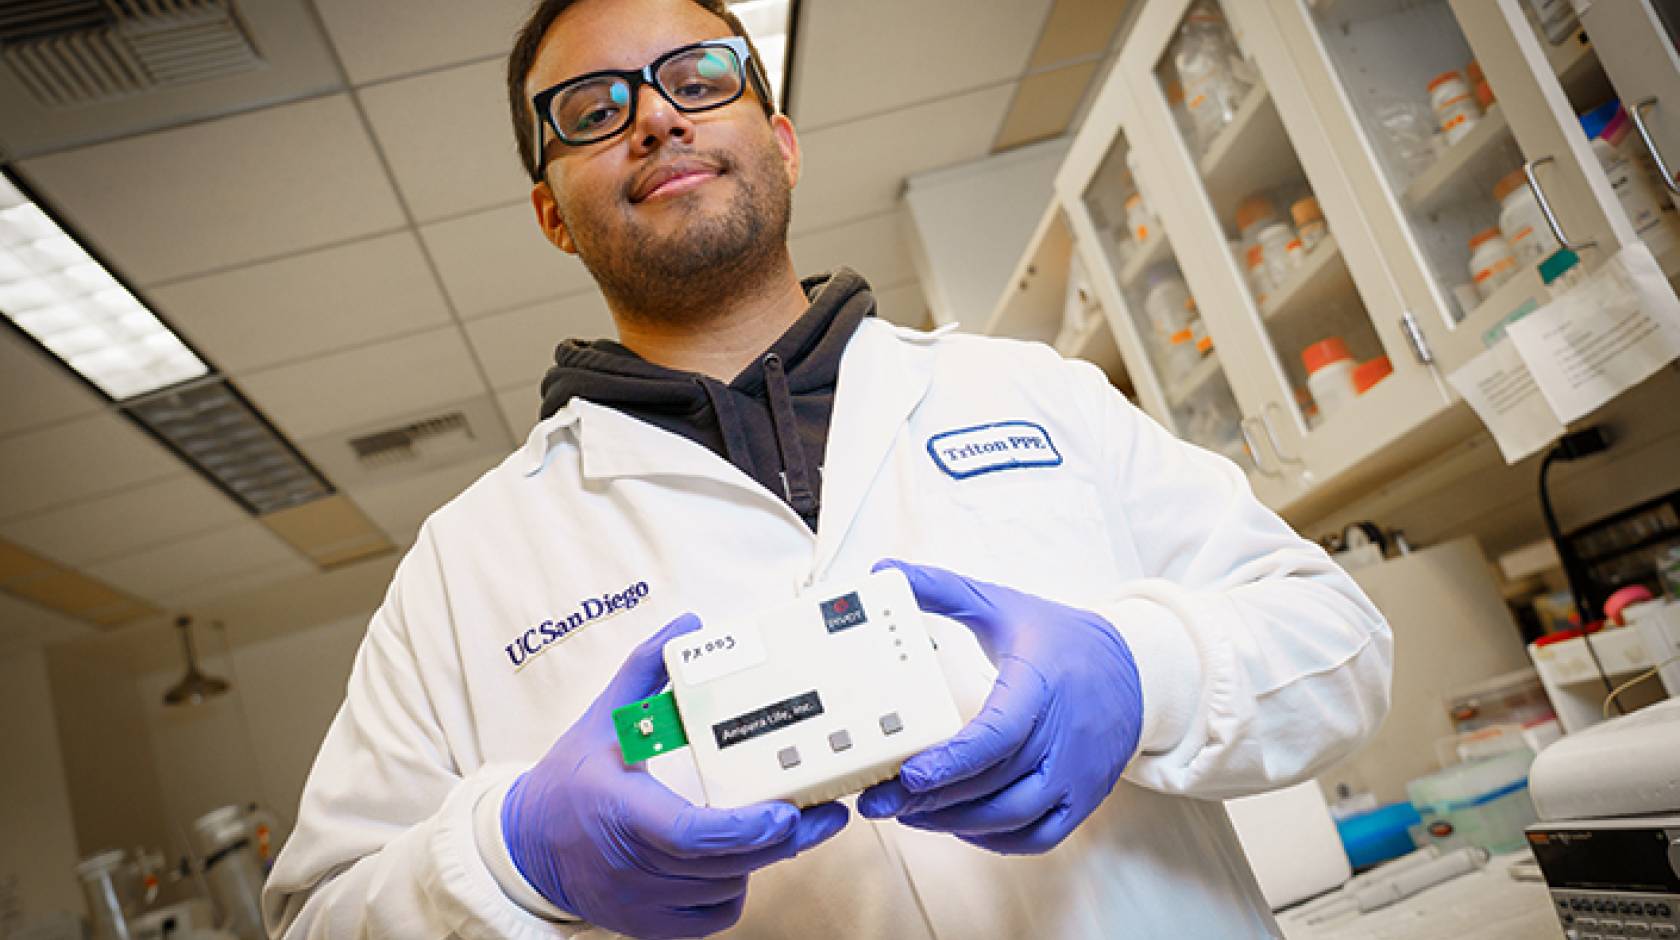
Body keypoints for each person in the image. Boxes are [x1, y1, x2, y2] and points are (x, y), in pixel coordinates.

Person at [262, 0, 1393, 936]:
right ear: (551, 213)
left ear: (784, 139)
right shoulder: (469, 562)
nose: (655, 116)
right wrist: (510, 860)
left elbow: (1336, 639)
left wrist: (1141, 669)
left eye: (700, 75)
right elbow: (318, 913)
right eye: (593, 111)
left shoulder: (1027, 392)